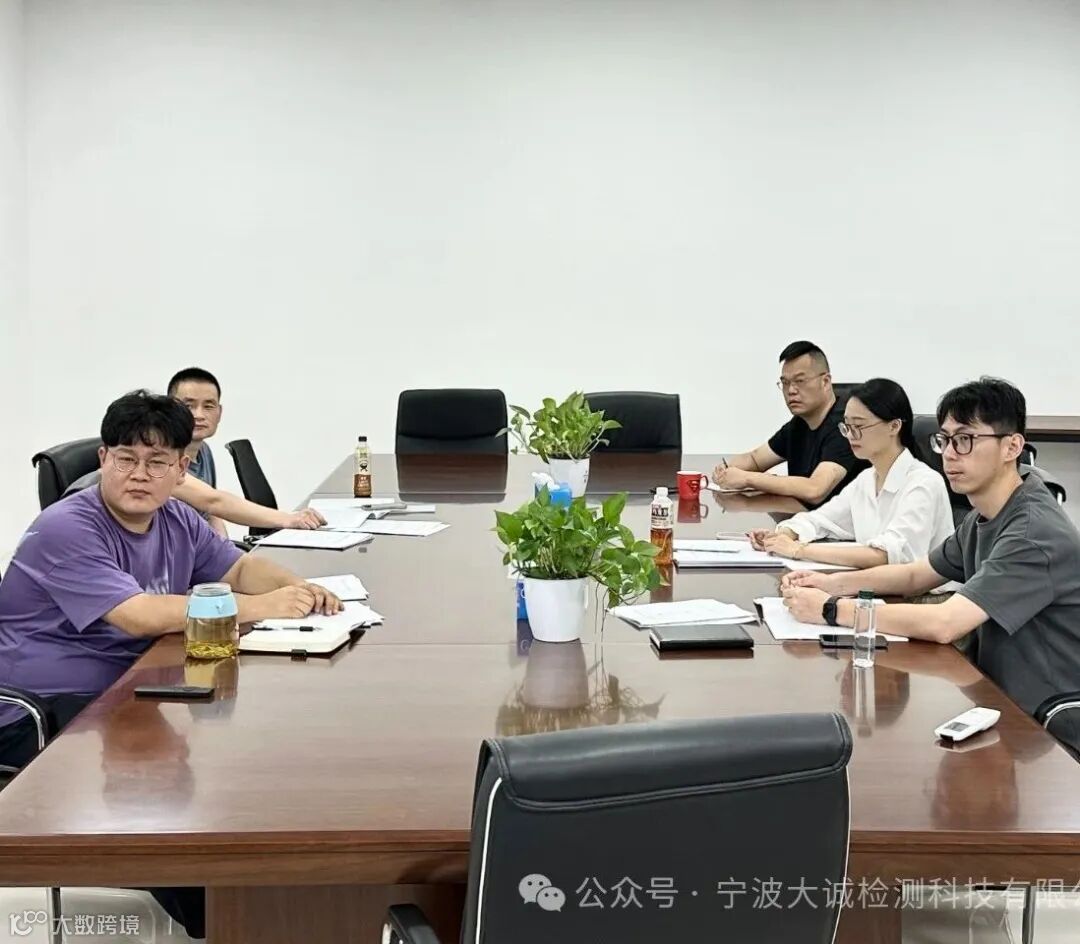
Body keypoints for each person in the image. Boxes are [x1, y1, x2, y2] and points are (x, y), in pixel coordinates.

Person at [0, 390, 343, 939]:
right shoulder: (68, 526)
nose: (139, 475)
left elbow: (237, 570)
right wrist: (261, 608)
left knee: (250, 764)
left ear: (182, 469)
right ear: (103, 459)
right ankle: (222, 914)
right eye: (125, 459)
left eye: (157, 462)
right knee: (173, 794)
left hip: (130, 685)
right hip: (43, 709)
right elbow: (137, 615)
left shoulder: (177, 518)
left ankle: (255, 905)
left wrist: (300, 588)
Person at [782, 377, 1080, 726]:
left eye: (965, 440)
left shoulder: (1032, 534)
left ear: (1012, 446)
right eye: (945, 440)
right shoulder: (984, 516)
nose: (950, 454)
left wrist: (832, 609)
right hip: (996, 696)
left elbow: (946, 623)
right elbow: (915, 575)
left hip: (1050, 717)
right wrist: (829, 583)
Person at [65, 368, 325, 536]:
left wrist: (225, 555)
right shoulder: (160, 464)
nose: (199, 415)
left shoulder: (204, 451)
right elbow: (214, 501)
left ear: (220, 412)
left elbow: (211, 513)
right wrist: (288, 519)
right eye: (189, 405)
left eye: (208, 406)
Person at [748, 378, 954, 570]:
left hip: (929, 594)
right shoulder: (866, 480)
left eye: (859, 425)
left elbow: (888, 555)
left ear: (894, 426)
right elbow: (821, 520)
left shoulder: (923, 483)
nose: (850, 435)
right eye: (846, 426)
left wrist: (799, 550)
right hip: (877, 585)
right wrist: (784, 535)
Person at [712, 341, 866, 508]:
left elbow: (815, 490)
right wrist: (726, 470)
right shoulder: (799, 424)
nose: (791, 390)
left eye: (800, 381)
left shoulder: (845, 426)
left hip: (845, 523)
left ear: (825, 382)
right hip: (805, 518)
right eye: (785, 383)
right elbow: (755, 459)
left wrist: (746, 478)